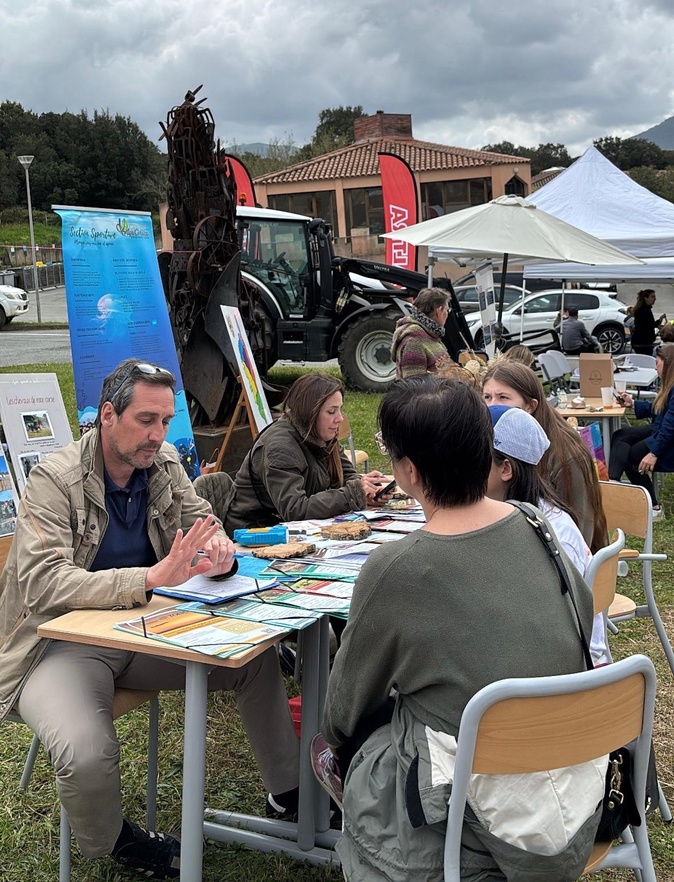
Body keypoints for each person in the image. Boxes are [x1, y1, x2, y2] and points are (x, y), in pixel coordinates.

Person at [0, 359, 300, 879]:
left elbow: (200, 526)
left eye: (165, 421)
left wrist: (220, 553)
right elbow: (43, 584)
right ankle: (116, 841)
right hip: (59, 644)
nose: (158, 435)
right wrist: (147, 578)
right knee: (85, 752)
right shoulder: (55, 479)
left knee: (254, 658)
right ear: (108, 415)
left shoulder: (160, 461)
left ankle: (290, 794)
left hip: (145, 630)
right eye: (146, 420)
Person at [316, 377, 604, 882]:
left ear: (406, 471)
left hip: (473, 819)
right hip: (577, 791)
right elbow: (579, 633)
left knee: (346, 742)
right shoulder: (538, 525)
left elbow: (343, 712)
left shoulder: (398, 567)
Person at [486, 404, 607, 663]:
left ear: (506, 468)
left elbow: (562, 638)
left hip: (563, 680)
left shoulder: (550, 535)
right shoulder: (513, 514)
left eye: (473, 456)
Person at [224, 372, 390, 533]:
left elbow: (347, 475)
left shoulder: (321, 433)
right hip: (255, 533)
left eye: (340, 410)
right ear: (310, 413)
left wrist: (366, 492)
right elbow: (295, 510)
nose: (339, 418)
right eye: (331, 411)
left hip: (295, 529)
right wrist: (353, 493)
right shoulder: (280, 447)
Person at [482, 361, 608, 552]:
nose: (492, 405)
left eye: (503, 397)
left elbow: (579, 533)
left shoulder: (566, 455)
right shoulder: (495, 442)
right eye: (487, 397)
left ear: (530, 406)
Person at [609, 342, 674, 517]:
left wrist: (653, 453)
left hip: (667, 441)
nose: (655, 367)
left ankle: (654, 506)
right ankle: (612, 481)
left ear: (668, 364)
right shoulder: (669, 385)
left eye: (657, 363)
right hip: (660, 432)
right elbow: (660, 409)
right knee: (620, 435)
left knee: (631, 457)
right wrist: (633, 403)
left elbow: (670, 427)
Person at [390, 287, 451, 378]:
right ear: (439, 311)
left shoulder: (430, 333)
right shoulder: (413, 341)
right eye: (447, 310)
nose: (447, 314)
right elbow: (414, 384)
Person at [631, 289, 667, 355]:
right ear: (646, 298)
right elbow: (647, 326)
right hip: (643, 343)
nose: (655, 299)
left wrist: (659, 321)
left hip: (643, 341)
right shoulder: (643, 310)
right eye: (652, 297)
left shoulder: (645, 309)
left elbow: (649, 324)